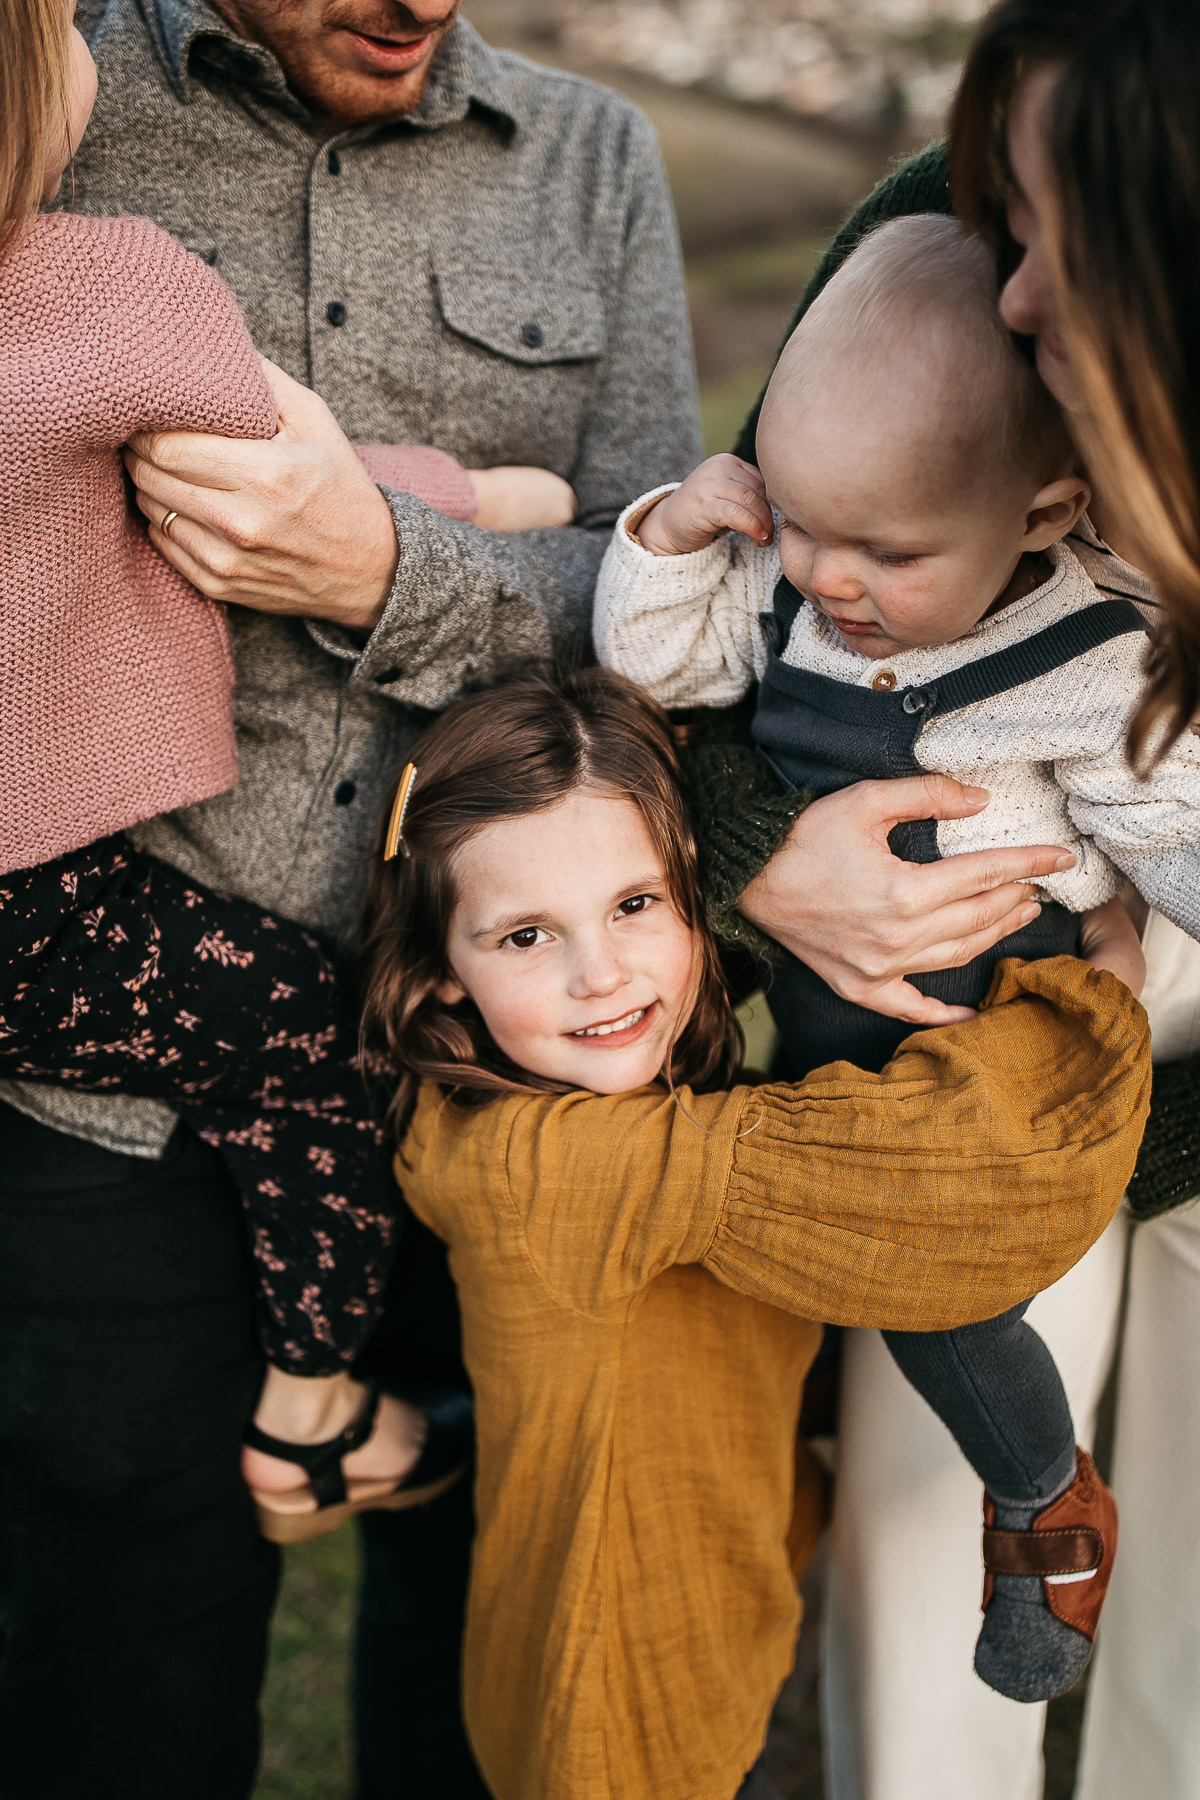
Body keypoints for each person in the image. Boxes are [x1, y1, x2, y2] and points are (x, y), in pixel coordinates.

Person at [0, 2, 698, 1795]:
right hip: (110, 1106)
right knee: (117, 1694)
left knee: (483, 1663)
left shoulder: (592, 157)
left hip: (501, 1070)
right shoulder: (33, 89)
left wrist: (395, 566)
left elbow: (675, 614)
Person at [683, 2, 1200, 1794]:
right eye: (1009, 214)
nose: (1015, 286)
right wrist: (766, 857)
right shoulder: (927, 239)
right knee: (928, 1613)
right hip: (959, 1052)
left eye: (1060, 232)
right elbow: (763, 622)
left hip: (1148, 1012)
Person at [354, 664, 1149, 1800]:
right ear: (439, 973)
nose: (601, 975)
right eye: (526, 935)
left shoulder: (573, 1105)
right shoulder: (554, 1166)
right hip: (616, 1732)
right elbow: (938, 1166)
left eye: (636, 905)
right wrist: (1095, 1000)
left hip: (709, 1651)